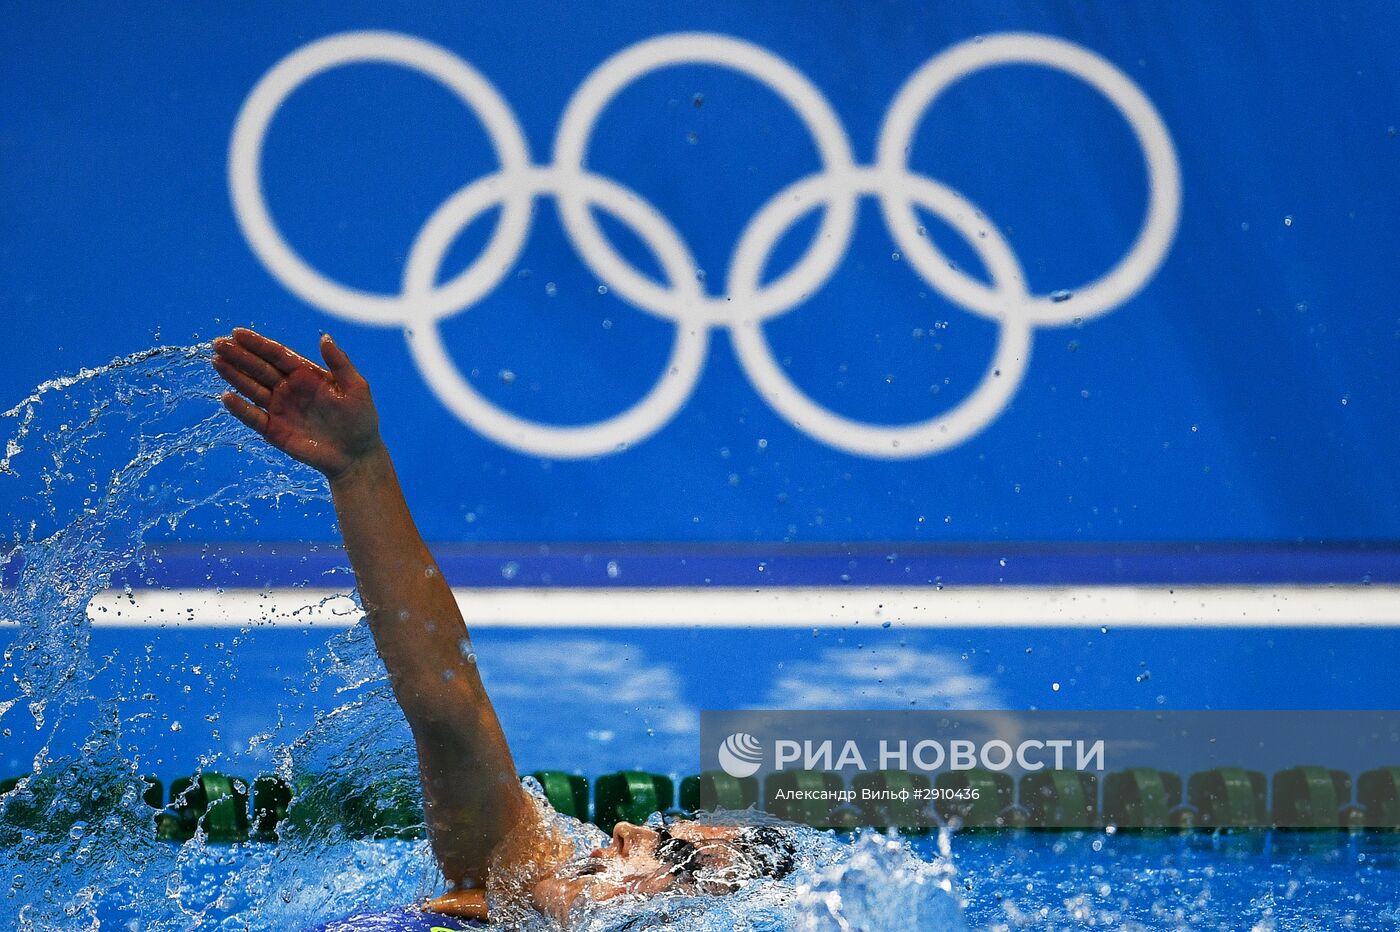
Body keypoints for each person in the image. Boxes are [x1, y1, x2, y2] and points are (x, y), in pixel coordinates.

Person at [211, 328, 795, 924]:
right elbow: (447, 706)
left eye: (670, 851)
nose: (624, 827)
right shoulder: (517, 883)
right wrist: (360, 470)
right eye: (661, 827)